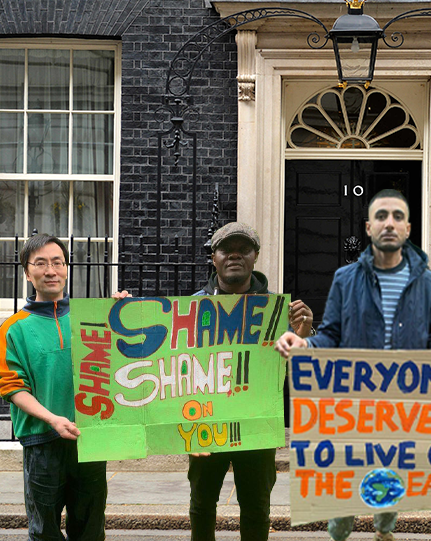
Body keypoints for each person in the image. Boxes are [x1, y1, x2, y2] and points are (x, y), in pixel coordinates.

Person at [275, 189, 431, 541]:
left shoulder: (427, 282)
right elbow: (331, 333)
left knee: (389, 476)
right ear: (369, 227)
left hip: (399, 399)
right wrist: (304, 343)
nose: (389, 223)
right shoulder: (345, 278)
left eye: (398, 216)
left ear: (408, 228)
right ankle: (340, 530)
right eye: (381, 216)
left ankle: (384, 531)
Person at [116, 221, 313, 541]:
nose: (234, 255)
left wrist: (302, 335)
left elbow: (299, 371)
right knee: (202, 503)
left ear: (255, 255)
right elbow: (165, 362)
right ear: (213, 257)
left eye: (243, 249)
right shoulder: (191, 307)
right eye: (226, 249)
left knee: (256, 507)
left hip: (256, 426)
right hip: (204, 423)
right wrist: (117, 311)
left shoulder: (280, 312)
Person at [0, 233, 107, 541]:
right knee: (45, 533)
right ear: (27, 274)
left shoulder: (93, 318)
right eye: (40, 263)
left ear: (66, 268)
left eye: (58, 262)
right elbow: (10, 386)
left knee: (91, 533)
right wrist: (52, 419)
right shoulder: (13, 328)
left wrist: (124, 312)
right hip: (41, 442)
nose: (51, 270)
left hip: (90, 439)